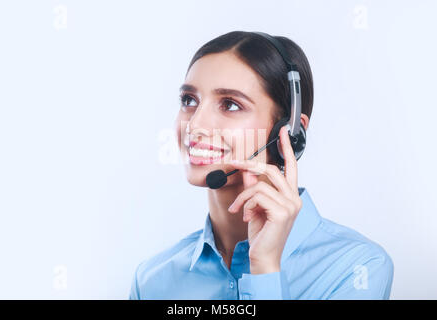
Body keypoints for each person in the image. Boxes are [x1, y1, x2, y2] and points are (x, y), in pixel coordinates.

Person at [129, 31, 394, 300]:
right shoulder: (151, 281)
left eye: (230, 105)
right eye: (189, 100)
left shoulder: (356, 268)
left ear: (289, 132)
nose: (195, 125)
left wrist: (266, 268)